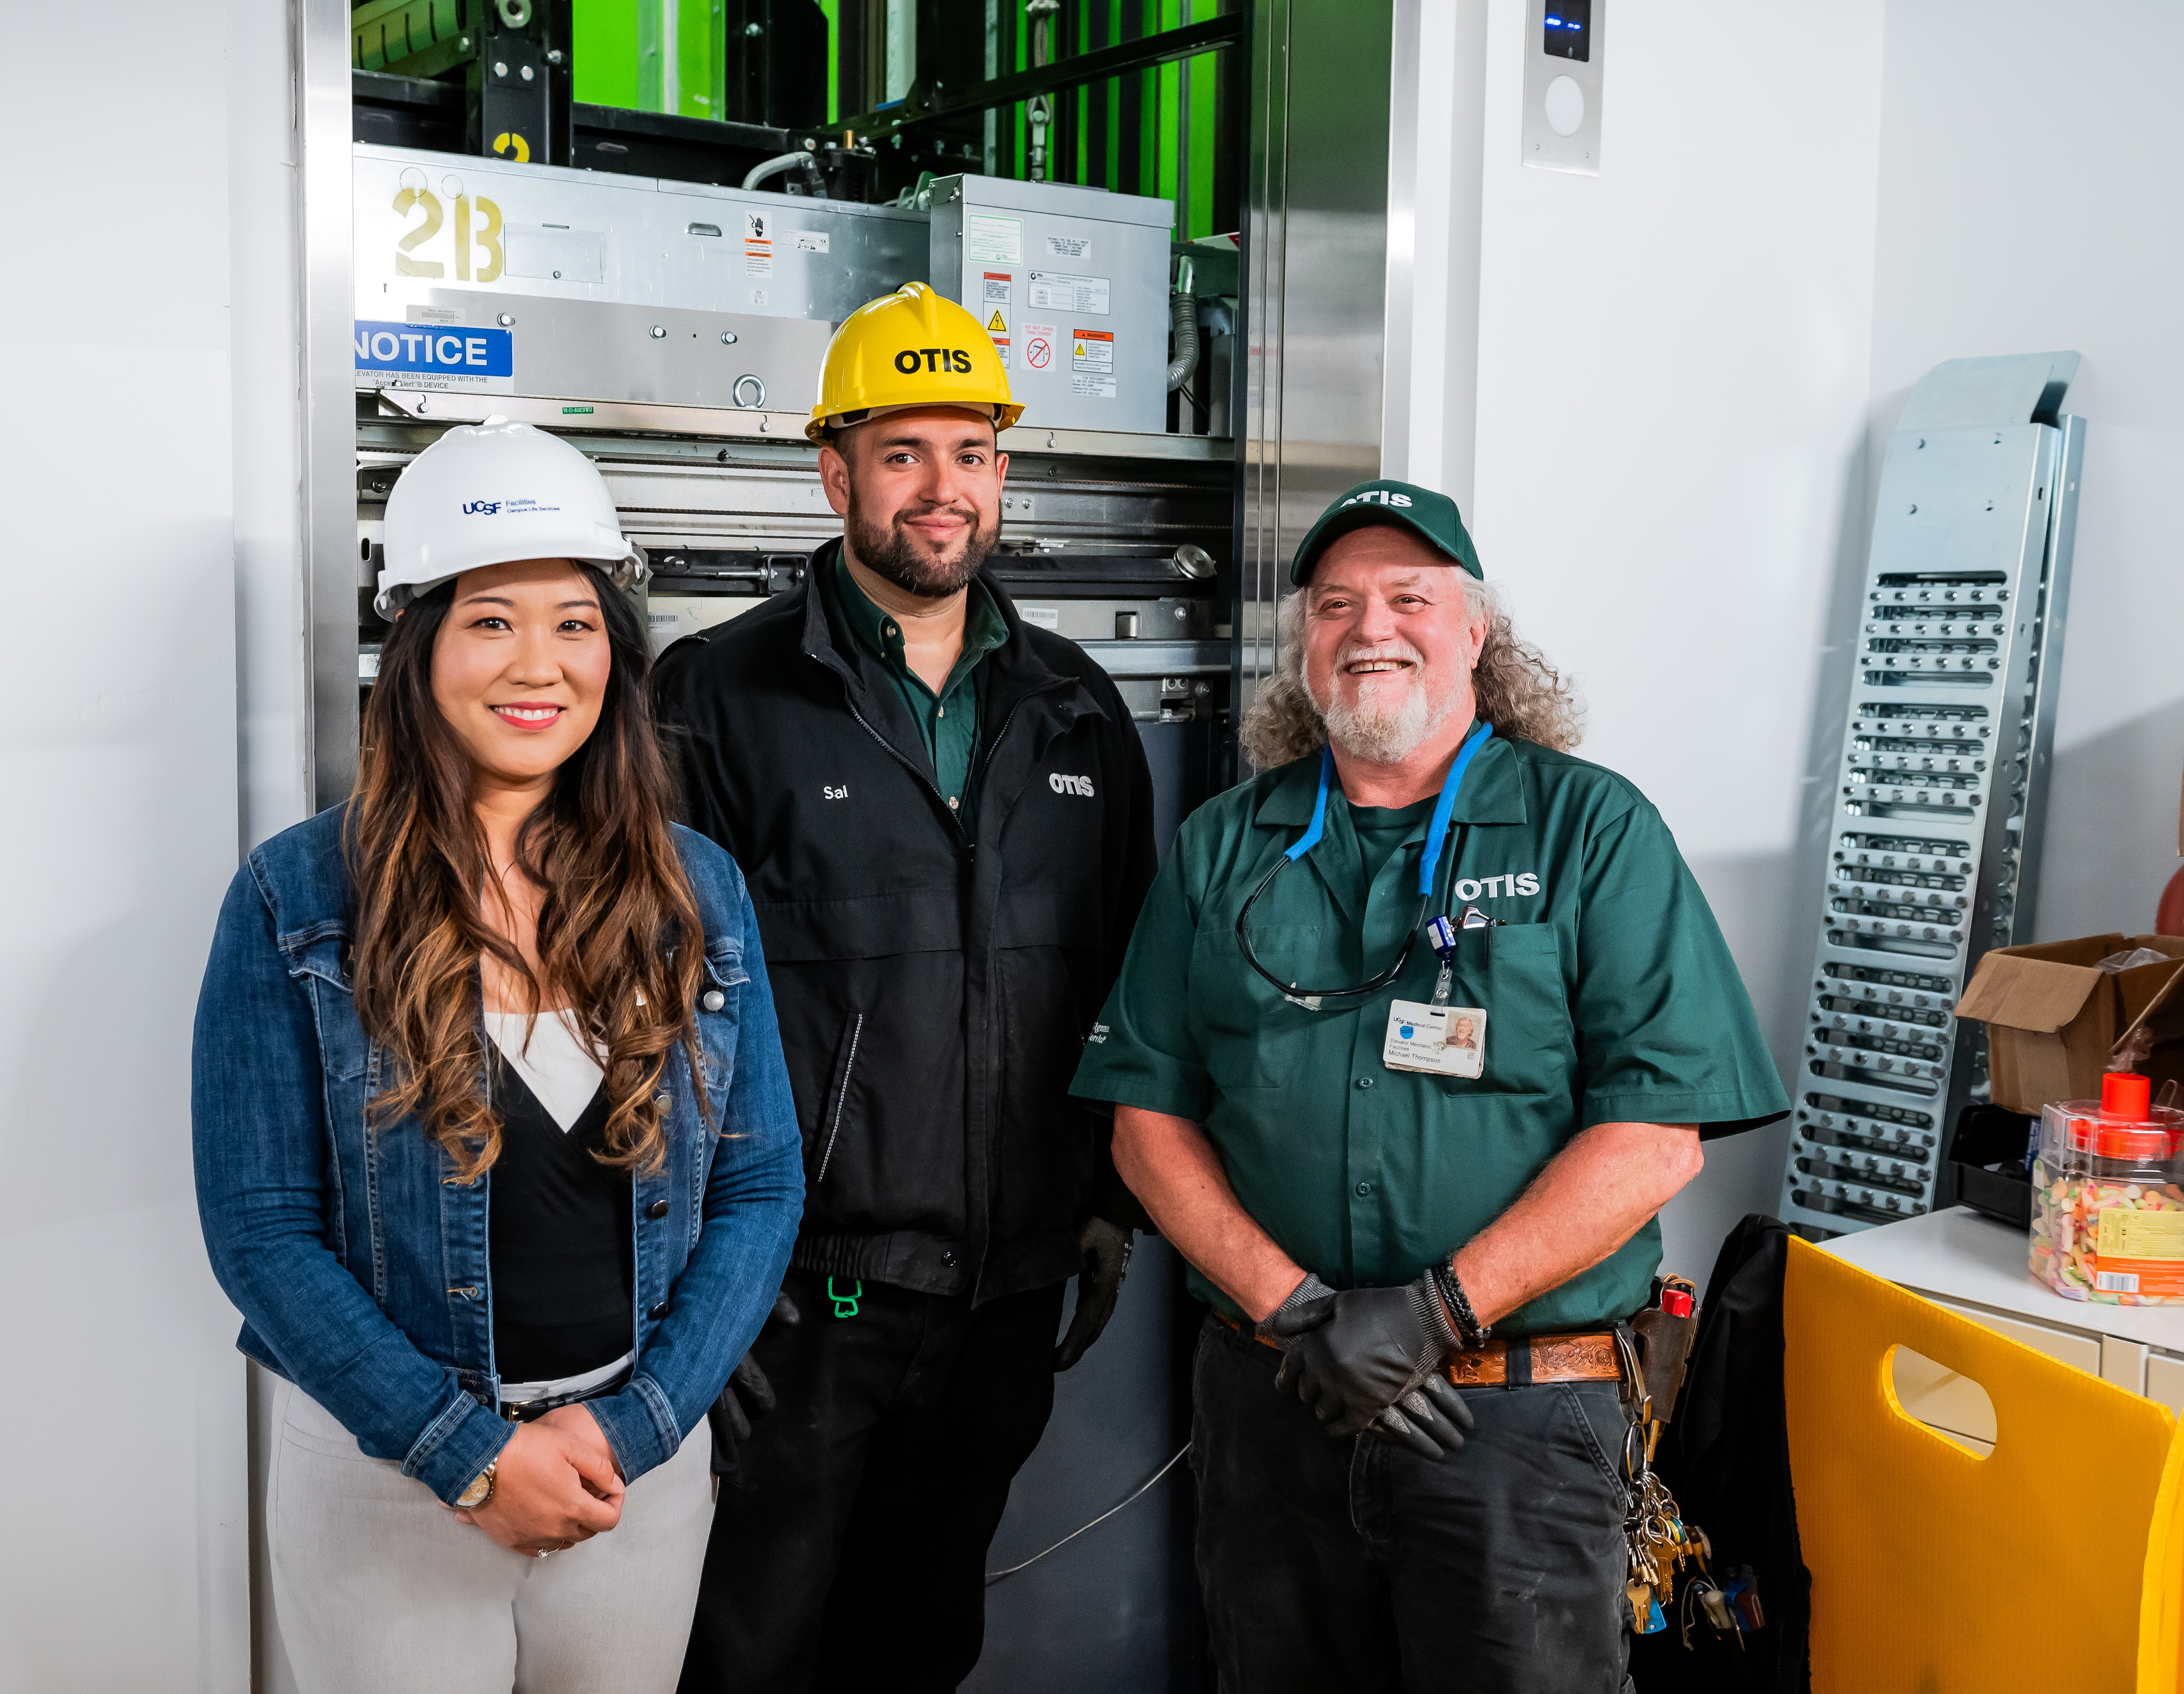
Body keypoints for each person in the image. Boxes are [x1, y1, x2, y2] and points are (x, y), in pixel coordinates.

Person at [1071, 480, 1791, 1692]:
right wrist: (1299, 1309)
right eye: (1337, 603)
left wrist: (1437, 1311)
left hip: (1510, 1425)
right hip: (1276, 1406)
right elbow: (1148, 1121)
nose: (1371, 628)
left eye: (1411, 597)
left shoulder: (1591, 833)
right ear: (1306, 642)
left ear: (1477, 633)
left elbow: (1657, 1136)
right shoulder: (1226, 845)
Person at [191, 419, 805, 1693]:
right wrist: (467, 1450)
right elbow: (262, 1233)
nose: (541, 663)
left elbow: (760, 1187)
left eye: (575, 622)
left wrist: (633, 1424)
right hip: (385, 1481)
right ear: (416, 649)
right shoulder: (296, 898)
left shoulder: (696, 891)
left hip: (625, 1475)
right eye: (492, 620)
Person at [655, 283, 1157, 1693]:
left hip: (1002, 1303)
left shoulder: (1074, 706)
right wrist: (699, 1289)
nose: (946, 491)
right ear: (836, 472)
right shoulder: (717, 697)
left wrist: (1109, 1204)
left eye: (974, 453)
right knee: (747, 1651)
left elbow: (1132, 984)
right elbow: (647, 1017)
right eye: (904, 454)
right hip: (801, 1312)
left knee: (921, 1643)